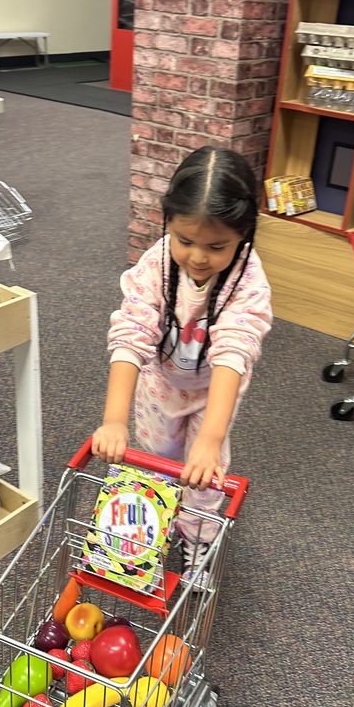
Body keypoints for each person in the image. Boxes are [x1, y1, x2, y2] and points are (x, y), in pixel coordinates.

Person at [92, 145, 272, 584]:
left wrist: (211, 438)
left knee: (204, 474)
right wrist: (114, 421)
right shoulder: (156, 264)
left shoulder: (247, 279)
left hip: (214, 390)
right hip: (161, 384)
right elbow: (132, 333)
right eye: (184, 240)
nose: (197, 256)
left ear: (244, 235)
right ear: (167, 224)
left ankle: (199, 546)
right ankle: (147, 540)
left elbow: (234, 352)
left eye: (216, 246)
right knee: (153, 462)